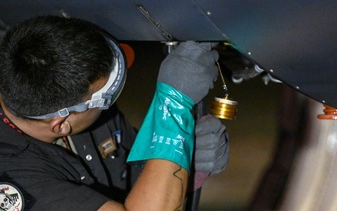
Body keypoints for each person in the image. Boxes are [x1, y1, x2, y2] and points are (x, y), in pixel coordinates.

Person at [0, 16, 229, 210]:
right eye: (103, 98)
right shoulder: (14, 176)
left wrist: (180, 158)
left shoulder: (73, 108)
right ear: (61, 125)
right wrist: (172, 109)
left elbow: (135, 172)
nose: (107, 106)